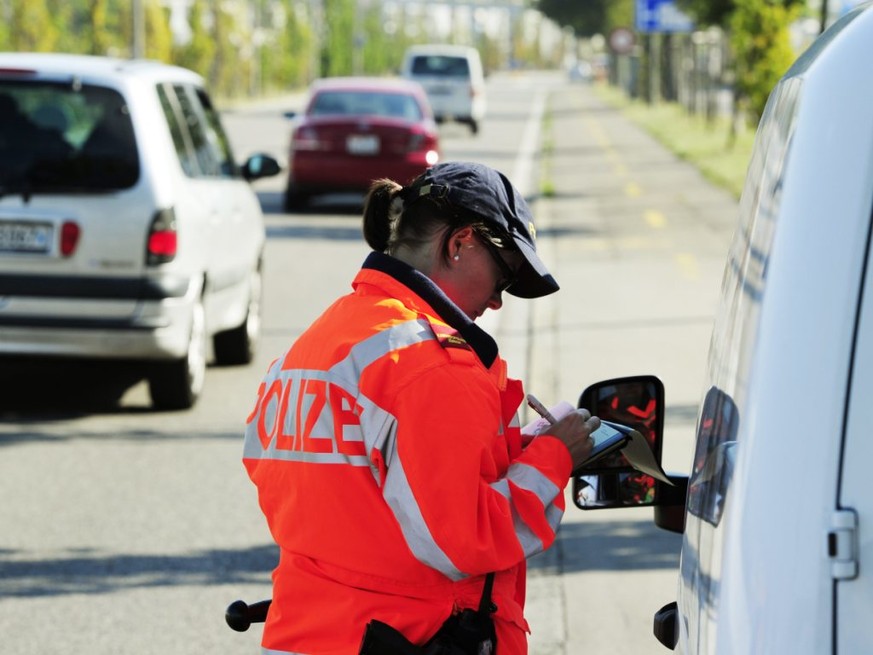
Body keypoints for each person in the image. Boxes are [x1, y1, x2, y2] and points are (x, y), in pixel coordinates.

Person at [242, 161, 601, 655]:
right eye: (503, 278)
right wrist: (554, 457)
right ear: (460, 244)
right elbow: (465, 542)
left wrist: (512, 449)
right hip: (408, 637)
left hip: (304, 635)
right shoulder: (430, 364)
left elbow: (356, 488)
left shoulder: (317, 343)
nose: (497, 302)